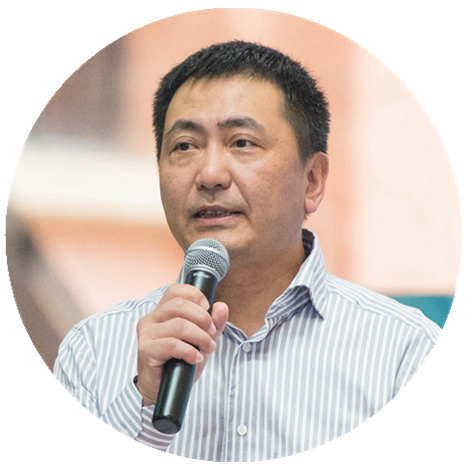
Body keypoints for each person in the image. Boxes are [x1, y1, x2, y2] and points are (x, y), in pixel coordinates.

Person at [54, 41, 441, 462]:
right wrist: (143, 404)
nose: (210, 174)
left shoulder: (404, 353)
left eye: (242, 142)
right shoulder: (93, 350)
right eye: (184, 146)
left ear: (312, 180)